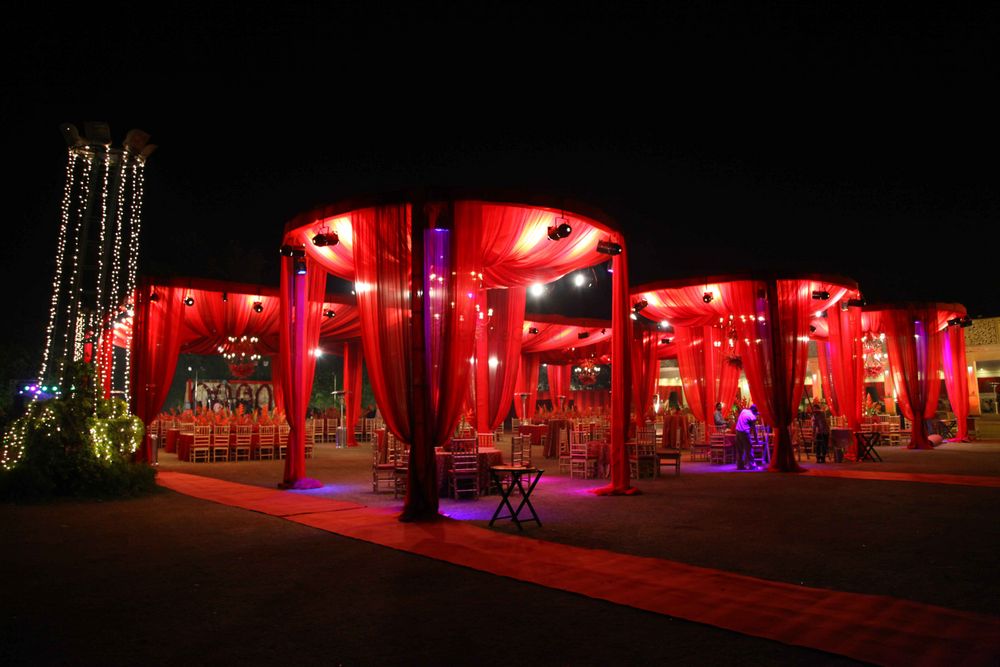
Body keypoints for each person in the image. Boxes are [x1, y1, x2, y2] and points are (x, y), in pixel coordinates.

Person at [734, 404, 759, 470]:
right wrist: (756, 440)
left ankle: (740, 466)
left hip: (737, 431)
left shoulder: (744, 411)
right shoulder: (753, 416)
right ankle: (752, 465)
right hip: (745, 433)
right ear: (754, 410)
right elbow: (754, 430)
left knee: (739, 450)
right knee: (749, 449)